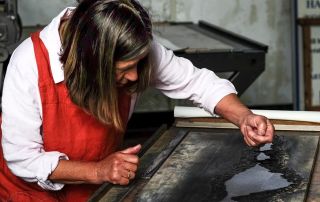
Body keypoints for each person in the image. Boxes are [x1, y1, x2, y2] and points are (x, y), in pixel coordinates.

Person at [0, 0, 274, 201]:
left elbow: (197, 82)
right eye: (122, 70)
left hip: (94, 188)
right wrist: (98, 171)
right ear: (90, 62)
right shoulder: (28, 63)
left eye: (138, 65)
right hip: (26, 192)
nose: (134, 76)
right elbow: (23, 159)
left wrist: (243, 117)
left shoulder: (134, 48)